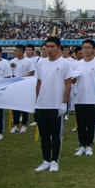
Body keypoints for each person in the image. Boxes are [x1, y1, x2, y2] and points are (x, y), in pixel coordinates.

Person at [33, 37, 76, 173]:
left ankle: (54, 160)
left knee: (56, 134)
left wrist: (64, 103)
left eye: (52, 46)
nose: (49, 49)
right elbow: (39, 83)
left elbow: (68, 84)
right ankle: (46, 160)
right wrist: (37, 101)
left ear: (58, 48)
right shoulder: (41, 63)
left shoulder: (65, 64)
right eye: (47, 47)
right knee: (44, 134)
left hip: (56, 104)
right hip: (42, 104)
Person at [72, 39, 95, 156]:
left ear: (93, 49)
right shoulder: (76, 64)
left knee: (91, 123)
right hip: (79, 98)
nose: (86, 50)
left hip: (92, 98)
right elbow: (72, 81)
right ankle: (82, 145)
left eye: (88, 47)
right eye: (84, 47)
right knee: (81, 124)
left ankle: (90, 145)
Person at [9, 44, 35, 133]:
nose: (14, 52)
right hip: (15, 86)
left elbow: (32, 73)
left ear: (21, 51)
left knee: (24, 106)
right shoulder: (12, 61)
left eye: (16, 51)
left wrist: (21, 78)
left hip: (25, 86)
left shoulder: (28, 61)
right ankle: (16, 125)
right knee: (15, 106)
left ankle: (24, 125)